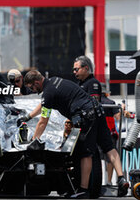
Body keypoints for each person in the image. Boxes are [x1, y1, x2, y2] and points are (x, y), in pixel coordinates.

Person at [20, 70, 103, 198]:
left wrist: (34, 141)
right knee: (78, 152)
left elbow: (43, 121)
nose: (33, 90)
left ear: (36, 82)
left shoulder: (48, 92)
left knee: (85, 153)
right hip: (91, 111)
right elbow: (43, 105)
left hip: (86, 115)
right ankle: (74, 188)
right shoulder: (53, 81)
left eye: (32, 87)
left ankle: (84, 190)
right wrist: (28, 116)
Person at [73, 55, 129, 196]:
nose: (74, 72)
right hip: (97, 121)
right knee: (109, 148)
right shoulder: (81, 84)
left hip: (93, 122)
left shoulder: (93, 83)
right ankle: (121, 178)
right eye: (73, 70)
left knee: (89, 153)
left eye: (77, 69)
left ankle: (84, 188)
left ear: (86, 68)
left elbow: (93, 103)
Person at [100, 85, 121, 186]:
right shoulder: (111, 103)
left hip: (97, 132)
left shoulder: (94, 103)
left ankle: (98, 180)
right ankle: (109, 181)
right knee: (110, 158)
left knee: (96, 158)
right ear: (107, 93)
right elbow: (118, 117)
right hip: (110, 133)